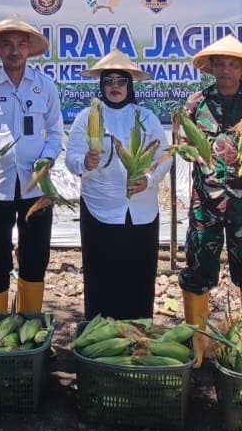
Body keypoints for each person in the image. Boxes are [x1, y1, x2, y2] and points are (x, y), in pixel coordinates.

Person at [177, 35, 242, 366]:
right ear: (210, 68)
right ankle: (197, 344)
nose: (225, 70)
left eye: (232, 64)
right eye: (219, 64)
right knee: (197, 269)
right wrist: (190, 150)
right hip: (204, 204)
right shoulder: (195, 104)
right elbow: (184, 145)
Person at [0, 13, 63, 315]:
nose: (14, 51)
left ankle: (28, 322)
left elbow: (56, 132)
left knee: (35, 258)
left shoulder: (45, 86)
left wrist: (47, 160)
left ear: (30, 49)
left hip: (37, 189)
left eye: (21, 44)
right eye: (7, 45)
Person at [65, 50, 168, 320]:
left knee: (139, 276)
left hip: (141, 211)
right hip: (100, 208)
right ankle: (100, 337)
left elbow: (164, 156)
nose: (114, 87)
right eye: (108, 81)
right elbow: (71, 157)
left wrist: (149, 180)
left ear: (129, 85)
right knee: (102, 277)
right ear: (101, 85)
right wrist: (85, 162)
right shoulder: (87, 118)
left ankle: (137, 336)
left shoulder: (146, 117)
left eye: (121, 81)